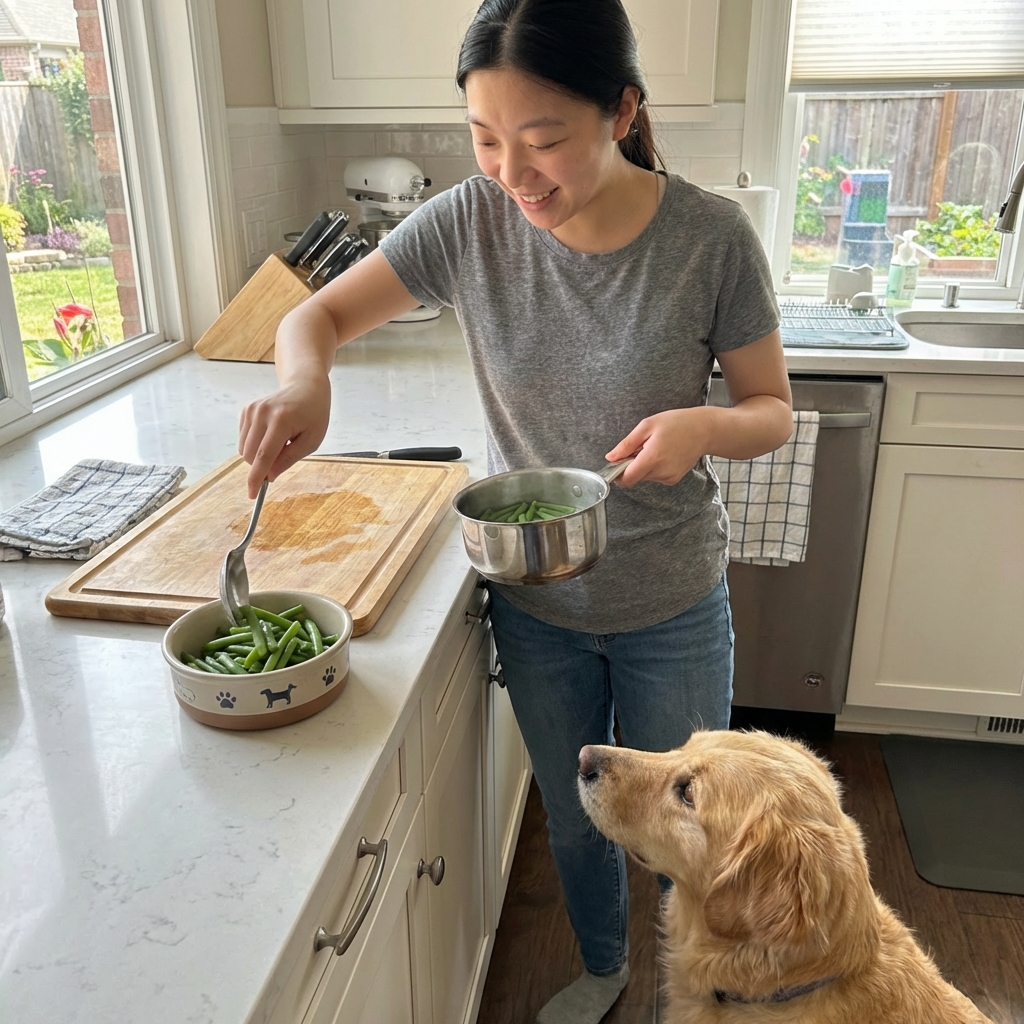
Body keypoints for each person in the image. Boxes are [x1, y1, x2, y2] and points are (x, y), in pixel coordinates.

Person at [239, 1, 793, 1020]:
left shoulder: (709, 237)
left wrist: (701, 428)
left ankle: (702, 987)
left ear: (621, 111)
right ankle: (602, 966)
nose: (511, 170)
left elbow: (771, 410)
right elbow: (312, 315)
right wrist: (306, 381)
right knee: (578, 825)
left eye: (541, 140)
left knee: (691, 831)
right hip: (537, 606)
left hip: (671, 600)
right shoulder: (470, 221)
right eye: (484, 139)